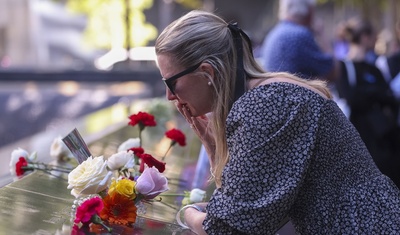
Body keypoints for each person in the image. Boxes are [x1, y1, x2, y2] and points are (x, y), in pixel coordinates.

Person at [155, 10, 400, 234]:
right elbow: (240, 207)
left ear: (207, 73)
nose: (169, 96)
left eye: (170, 83)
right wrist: (213, 148)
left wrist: (187, 214)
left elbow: (227, 228)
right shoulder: (268, 95)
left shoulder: (265, 104)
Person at [336, 17, 400, 188]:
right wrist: (376, 95)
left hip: (382, 138)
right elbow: (351, 97)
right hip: (359, 137)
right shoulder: (344, 67)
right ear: (365, 37)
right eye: (373, 37)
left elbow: (389, 96)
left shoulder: (373, 68)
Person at [260, 0, 336, 81]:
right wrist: (321, 34)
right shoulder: (300, 35)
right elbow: (333, 71)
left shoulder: (273, 33)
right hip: (294, 92)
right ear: (309, 11)